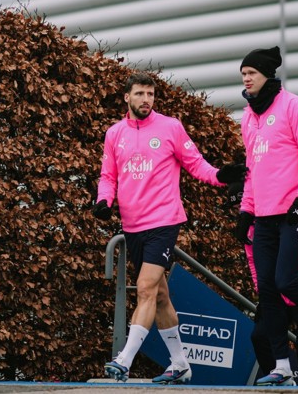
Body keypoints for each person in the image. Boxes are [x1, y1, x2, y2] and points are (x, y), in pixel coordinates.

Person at [95, 72, 247, 384]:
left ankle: (124, 360)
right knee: (161, 296)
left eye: (150, 94)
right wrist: (103, 200)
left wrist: (221, 176)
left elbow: (196, 164)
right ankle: (180, 364)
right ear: (127, 97)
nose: (145, 100)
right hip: (133, 225)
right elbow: (108, 175)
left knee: (147, 288)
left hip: (164, 220)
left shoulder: (170, 127)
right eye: (139, 94)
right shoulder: (115, 134)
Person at [234, 46, 298, 386]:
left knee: (287, 280)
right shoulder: (247, 116)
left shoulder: (293, 105)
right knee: (268, 292)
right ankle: (282, 366)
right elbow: (252, 170)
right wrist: (246, 211)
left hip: (297, 211)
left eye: (251, 72)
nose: (245, 77)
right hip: (264, 215)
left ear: (267, 75)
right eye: (243, 73)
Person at [238, 205, 298, 384]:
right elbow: (253, 261)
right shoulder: (250, 229)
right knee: (260, 336)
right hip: (276, 295)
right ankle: (280, 377)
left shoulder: (287, 219)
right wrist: (262, 289)